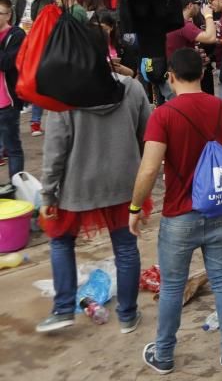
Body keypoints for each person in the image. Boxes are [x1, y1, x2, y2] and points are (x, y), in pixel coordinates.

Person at [130, 48, 222, 375]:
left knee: (171, 286)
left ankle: (164, 355)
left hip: (179, 215)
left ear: (170, 76)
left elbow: (149, 170)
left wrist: (136, 207)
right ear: (202, 74)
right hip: (220, 211)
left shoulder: (163, 115)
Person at [36, 27, 150, 335]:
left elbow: (54, 153)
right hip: (125, 184)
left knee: (60, 242)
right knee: (126, 248)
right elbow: (148, 136)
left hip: (76, 187)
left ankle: (63, 309)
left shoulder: (62, 96)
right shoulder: (131, 88)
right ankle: (127, 316)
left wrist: (47, 195)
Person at [0, 0, 25, 189]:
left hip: (7, 102)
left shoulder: (16, 34)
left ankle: (16, 188)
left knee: (12, 147)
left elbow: (7, 62)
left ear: (8, 14)